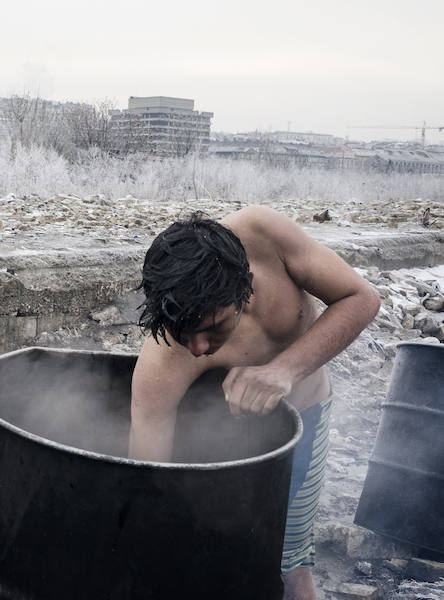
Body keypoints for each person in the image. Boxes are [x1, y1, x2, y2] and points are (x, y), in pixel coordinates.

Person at [128, 206, 380, 600]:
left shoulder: (266, 236)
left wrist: (283, 370)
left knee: (292, 564)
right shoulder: (163, 358)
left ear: (245, 288)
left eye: (211, 329)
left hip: (303, 421)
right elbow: (149, 480)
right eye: (184, 334)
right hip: (217, 446)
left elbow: (361, 298)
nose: (196, 348)